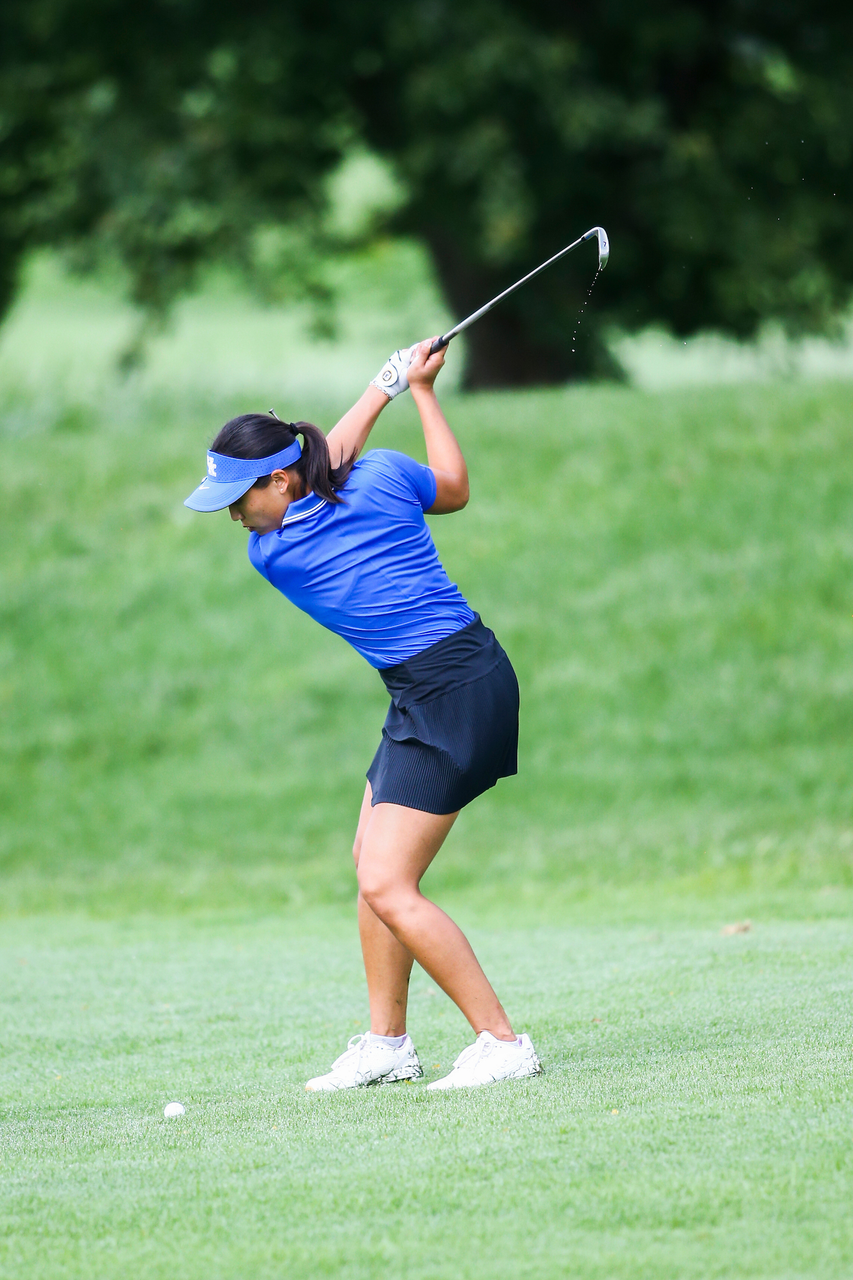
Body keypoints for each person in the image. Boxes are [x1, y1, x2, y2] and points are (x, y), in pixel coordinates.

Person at [184, 339, 542, 1091]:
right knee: (370, 868)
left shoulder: (276, 549)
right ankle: (387, 1043)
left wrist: (383, 387)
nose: (235, 519)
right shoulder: (376, 479)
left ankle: (501, 1042)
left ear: (279, 483)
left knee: (386, 881)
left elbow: (329, 458)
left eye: (238, 500)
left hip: (453, 690)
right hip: (444, 681)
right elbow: (451, 487)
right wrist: (417, 392)